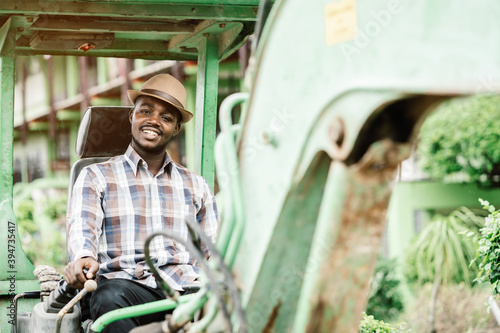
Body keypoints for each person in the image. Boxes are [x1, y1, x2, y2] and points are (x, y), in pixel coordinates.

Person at [63, 74, 218, 332]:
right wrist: (84, 256)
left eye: (166, 118)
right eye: (145, 111)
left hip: (184, 292)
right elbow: (82, 227)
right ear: (132, 116)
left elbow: (213, 251)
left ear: (176, 129)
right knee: (109, 297)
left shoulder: (196, 185)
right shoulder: (96, 176)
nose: (154, 121)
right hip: (124, 289)